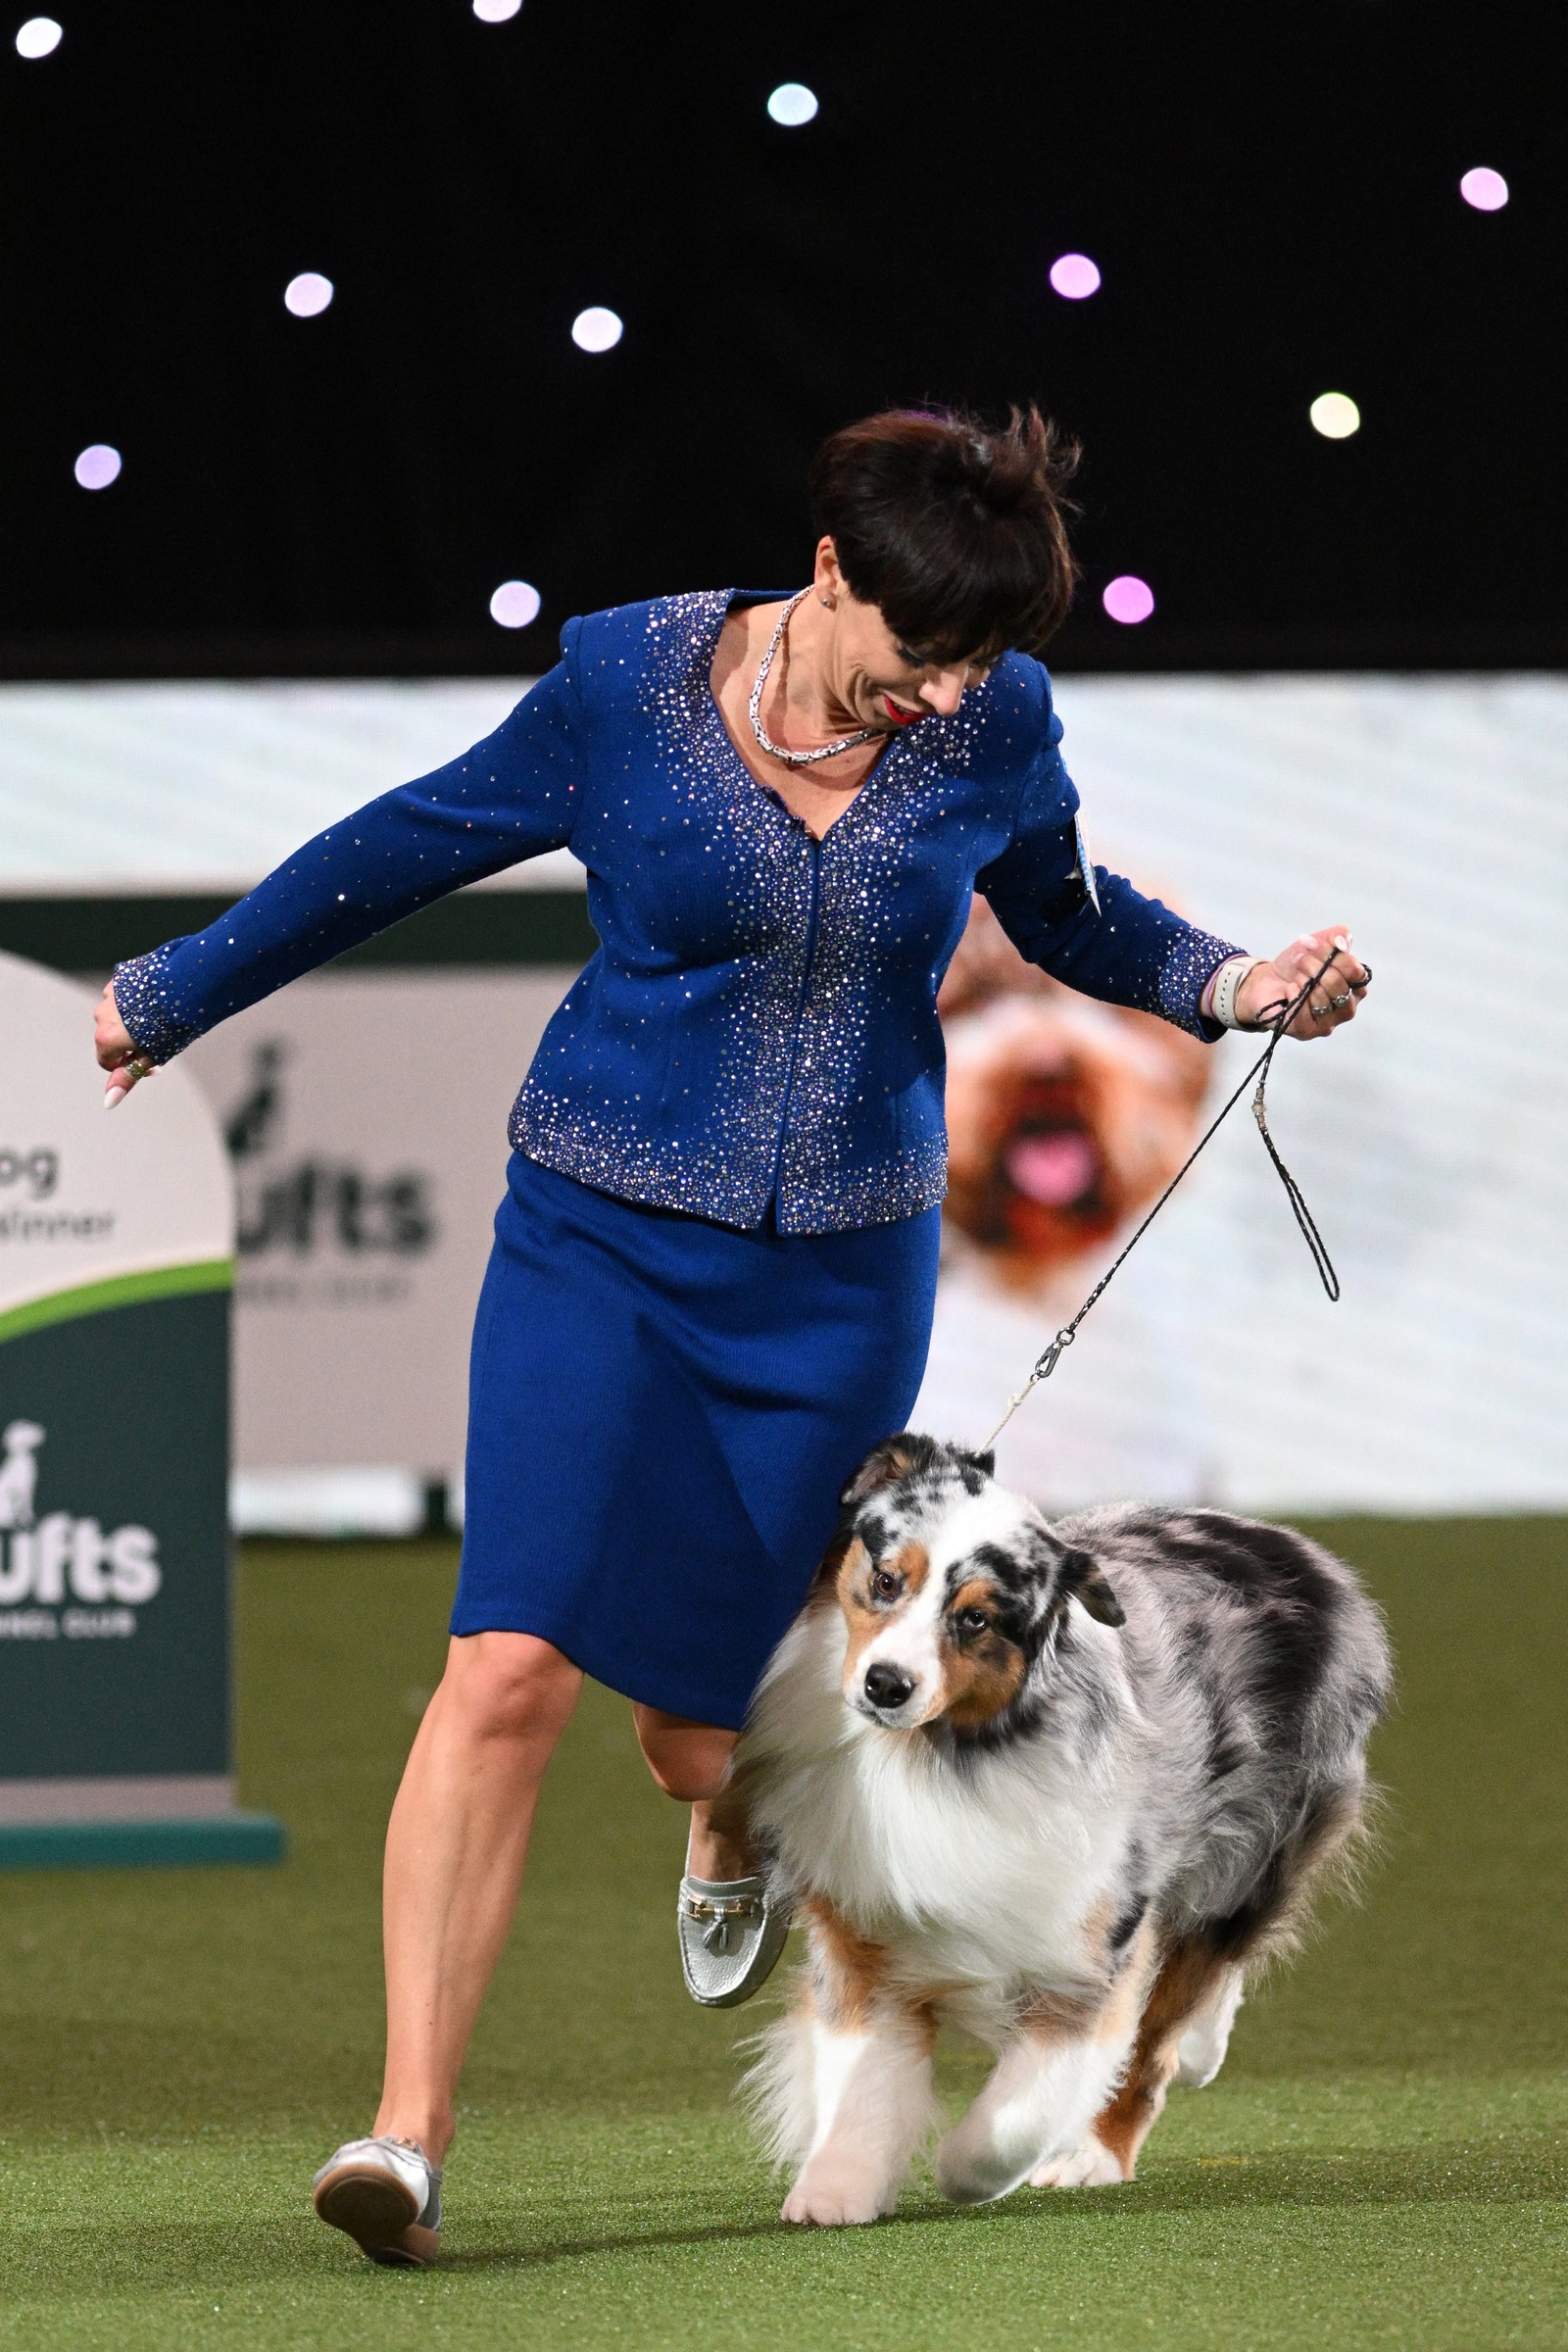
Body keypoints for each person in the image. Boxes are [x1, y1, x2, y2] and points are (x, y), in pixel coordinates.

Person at [93, 405, 1370, 2265]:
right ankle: (407, 2136)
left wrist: (1235, 981)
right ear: (831, 569)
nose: (947, 696)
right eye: (919, 653)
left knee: (707, 1745)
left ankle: (723, 1827)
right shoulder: (624, 680)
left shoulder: (995, 721)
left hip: (837, 1286)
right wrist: (172, 995)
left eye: (979, 662)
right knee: (508, 1665)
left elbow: (1073, 918)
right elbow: (404, 842)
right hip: (595, 1242)